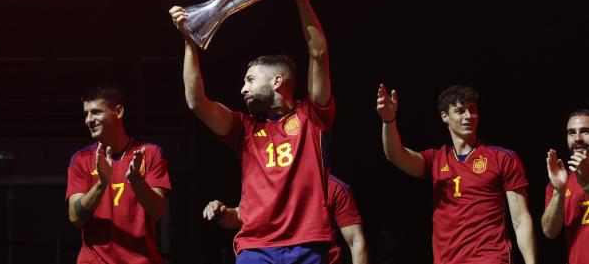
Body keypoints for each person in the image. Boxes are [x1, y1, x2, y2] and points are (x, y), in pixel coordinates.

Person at [170, 0, 334, 264]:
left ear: (277, 81)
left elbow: (318, 53)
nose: (242, 89)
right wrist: (189, 43)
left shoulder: (312, 116)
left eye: (250, 80)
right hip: (256, 247)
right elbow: (197, 102)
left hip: (308, 243)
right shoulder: (242, 128)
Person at [376, 84, 536, 264]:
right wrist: (388, 121)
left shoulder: (502, 158)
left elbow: (520, 219)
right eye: (460, 111)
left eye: (472, 110)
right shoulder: (436, 159)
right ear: (445, 116)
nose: (468, 116)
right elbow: (395, 155)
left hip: (490, 258)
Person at [65, 84, 172, 264]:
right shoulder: (81, 160)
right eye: (86, 114)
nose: (88, 120)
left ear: (119, 111)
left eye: (96, 112)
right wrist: (101, 183)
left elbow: (157, 211)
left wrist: (137, 182)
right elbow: (75, 218)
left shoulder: (150, 153)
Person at [203, 174, 369, 264]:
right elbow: (240, 216)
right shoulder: (268, 183)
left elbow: (356, 242)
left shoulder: (334, 188)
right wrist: (222, 213)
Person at [541, 109, 589, 264]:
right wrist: (559, 191)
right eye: (571, 133)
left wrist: (586, 184)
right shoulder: (562, 179)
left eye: (585, 131)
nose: (577, 139)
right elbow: (550, 231)